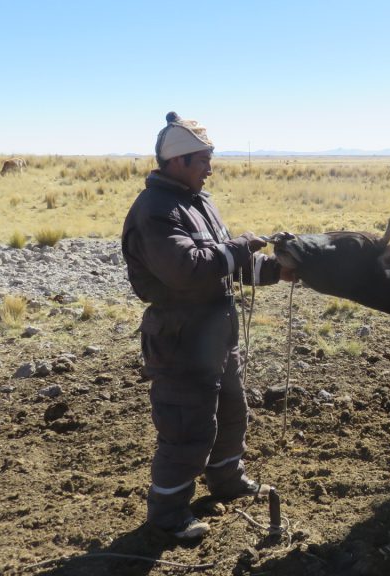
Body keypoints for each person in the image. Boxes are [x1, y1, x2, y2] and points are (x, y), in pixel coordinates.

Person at [122, 112, 287, 539]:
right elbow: (186, 269)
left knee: (232, 412)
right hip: (180, 338)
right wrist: (239, 246)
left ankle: (227, 480)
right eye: (203, 160)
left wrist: (278, 269)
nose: (210, 167)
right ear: (177, 162)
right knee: (187, 427)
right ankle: (168, 514)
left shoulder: (198, 201)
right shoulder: (155, 211)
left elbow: (227, 265)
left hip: (216, 334)